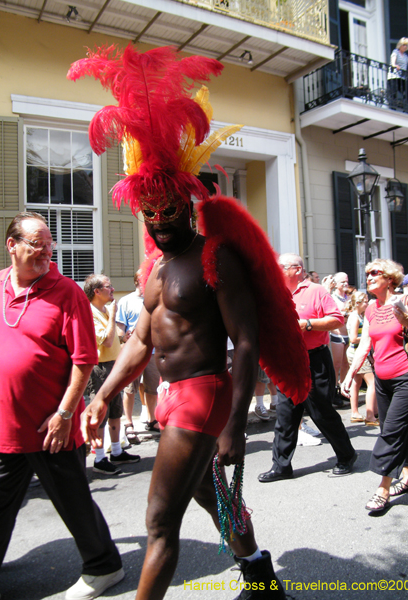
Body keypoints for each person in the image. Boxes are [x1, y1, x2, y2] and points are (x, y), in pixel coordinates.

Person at [69, 43, 311, 600]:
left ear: (186, 198)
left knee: (159, 521)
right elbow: (139, 340)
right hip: (171, 395)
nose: (158, 223)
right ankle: (260, 576)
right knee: (211, 493)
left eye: (168, 211)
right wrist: (104, 394)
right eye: (149, 214)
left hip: (204, 395)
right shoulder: (155, 268)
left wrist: (235, 425)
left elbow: (246, 342)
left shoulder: (214, 256)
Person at [0, 212, 123, 600]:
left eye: (49, 245)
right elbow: (4, 321)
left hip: (50, 426)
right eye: (36, 245)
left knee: (73, 502)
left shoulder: (67, 292)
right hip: (5, 425)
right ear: (12, 245)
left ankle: (104, 567)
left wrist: (64, 415)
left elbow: (84, 359)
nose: (46, 252)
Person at [258, 254, 357, 483]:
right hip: (287, 360)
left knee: (321, 412)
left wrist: (308, 324)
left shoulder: (316, 291)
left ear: (296, 269)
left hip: (314, 360)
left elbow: (337, 319)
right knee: (285, 415)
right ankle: (281, 466)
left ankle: (346, 455)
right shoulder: (275, 292)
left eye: (280, 267)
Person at [342, 259, 408, 513]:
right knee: (392, 430)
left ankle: (383, 489)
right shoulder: (370, 308)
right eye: (367, 274)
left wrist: (407, 320)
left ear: (390, 278)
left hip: (407, 377)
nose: (368, 277)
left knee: (391, 432)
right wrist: (350, 374)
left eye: (374, 273)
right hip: (382, 380)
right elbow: (366, 344)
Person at [84, 273, 141, 475]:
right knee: (101, 413)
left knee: (115, 410)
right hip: (99, 368)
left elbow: (114, 339)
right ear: (96, 291)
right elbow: (106, 341)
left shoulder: (105, 310)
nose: (113, 290)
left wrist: (125, 337)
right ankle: (100, 458)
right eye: (108, 287)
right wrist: (114, 313)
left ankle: (116, 451)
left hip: (113, 364)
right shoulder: (90, 313)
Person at [116, 271, 160, 436]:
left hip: (153, 351)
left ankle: (152, 419)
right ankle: (128, 423)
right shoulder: (126, 301)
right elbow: (120, 329)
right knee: (129, 388)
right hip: (133, 351)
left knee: (152, 388)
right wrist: (124, 337)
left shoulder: (155, 300)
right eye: (145, 280)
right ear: (138, 282)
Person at [345, 291, 378, 425]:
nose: (367, 303)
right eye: (365, 301)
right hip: (356, 352)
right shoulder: (355, 317)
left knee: (356, 382)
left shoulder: (360, 315)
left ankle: (355, 412)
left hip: (355, 353)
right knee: (372, 383)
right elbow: (353, 338)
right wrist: (368, 336)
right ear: (357, 303)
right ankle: (370, 415)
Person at [330, 272, 350, 405]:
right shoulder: (332, 298)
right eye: (342, 282)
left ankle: (343, 389)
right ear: (336, 284)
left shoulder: (349, 298)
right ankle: (333, 391)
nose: (345, 284)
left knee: (346, 364)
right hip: (336, 334)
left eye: (346, 281)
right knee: (336, 365)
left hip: (348, 333)